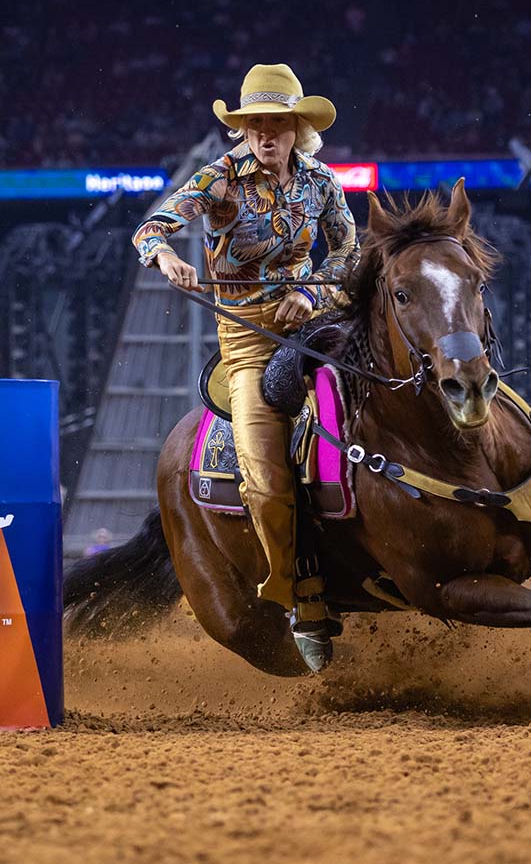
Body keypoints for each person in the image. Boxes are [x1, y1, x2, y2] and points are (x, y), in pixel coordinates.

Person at [132, 63, 360, 672]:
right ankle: (298, 595)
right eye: (254, 123)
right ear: (242, 128)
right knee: (262, 470)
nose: (264, 134)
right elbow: (150, 228)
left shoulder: (321, 182)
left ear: (297, 130)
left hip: (319, 323)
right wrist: (166, 258)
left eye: (276, 124)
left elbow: (348, 249)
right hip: (249, 338)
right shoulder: (218, 177)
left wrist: (310, 293)